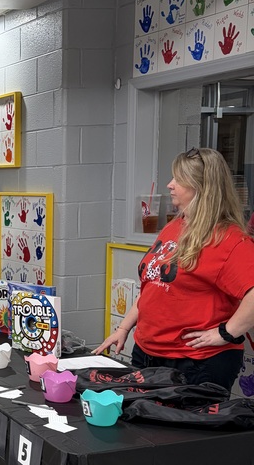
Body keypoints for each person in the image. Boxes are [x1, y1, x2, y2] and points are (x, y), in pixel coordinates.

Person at [95, 147, 254, 393]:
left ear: (202, 187)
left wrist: (226, 333)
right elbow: (153, 286)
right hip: (147, 354)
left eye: (178, 179)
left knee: (178, 432)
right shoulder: (175, 226)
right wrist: (124, 328)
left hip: (194, 364)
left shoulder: (230, 239)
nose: (170, 185)